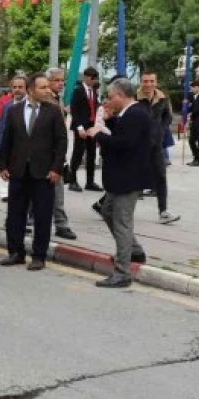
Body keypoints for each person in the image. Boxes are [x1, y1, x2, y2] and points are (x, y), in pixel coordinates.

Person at [81, 78, 154, 288]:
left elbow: (124, 143)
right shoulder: (128, 114)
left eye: (111, 97)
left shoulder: (136, 114)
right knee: (106, 210)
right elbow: (123, 134)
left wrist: (98, 135)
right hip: (119, 178)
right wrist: (111, 121)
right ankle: (135, 250)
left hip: (127, 178)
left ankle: (122, 272)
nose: (108, 101)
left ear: (121, 95)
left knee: (122, 223)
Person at [0, 72, 66, 270]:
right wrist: (3, 165)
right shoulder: (14, 111)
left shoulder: (53, 111)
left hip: (44, 173)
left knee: (43, 216)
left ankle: (39, 256)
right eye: (42, 87)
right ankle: (16, 253)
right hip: (18, 171)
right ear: (30, 90)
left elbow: (61, 142)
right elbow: (7, 140)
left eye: (47, 87)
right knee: (15, 214)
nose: (47, 90)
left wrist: (56, 168)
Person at [137, 72, 180, 224]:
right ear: (141, 82)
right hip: (137, 145)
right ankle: (104, 204)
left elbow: (168, 116)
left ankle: (163, 212)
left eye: (151, 81)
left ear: (156, 82)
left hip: (156, 144)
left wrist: (161, 130)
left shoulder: (163, 97)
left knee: (161, 175)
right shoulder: (134, 98)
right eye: (145, 81)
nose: (148, 84)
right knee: (130, 177)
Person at [43, 67, 78, 240]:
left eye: (62, 80)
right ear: (47, 81)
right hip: (47, 154)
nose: (61, 83)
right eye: (56, 80)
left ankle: (59, 223)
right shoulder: (47, 100)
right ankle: (60, 224)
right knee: (53, 191)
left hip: (56, 153)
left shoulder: (57, 99)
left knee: (55, 191)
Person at [68, 67, 102, 192]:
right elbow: (74, 109)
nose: (93, 81)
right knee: (78, 153)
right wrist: (80, 128)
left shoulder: (94, 91)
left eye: (95, 79)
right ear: (86, 77)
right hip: (81, 127)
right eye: (92, 78)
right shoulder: (78, 90)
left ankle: (90, 181)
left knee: (92, 154)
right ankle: (72, 180)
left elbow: (95, 107)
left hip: (92, 126)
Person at [0, 75, 27, 203]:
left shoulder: (30, 105)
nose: (17, 90)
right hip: (9, 146)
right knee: (4, 169)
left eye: (20, 87)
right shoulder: (7, 106)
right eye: (14, 87)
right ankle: (4, 193)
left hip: (23, 148)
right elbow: (1, 127)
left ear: (26, 88)